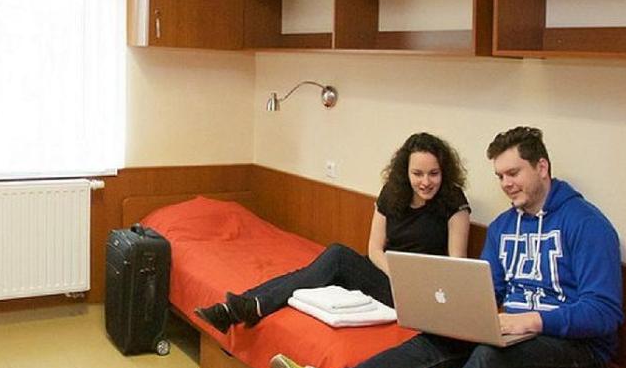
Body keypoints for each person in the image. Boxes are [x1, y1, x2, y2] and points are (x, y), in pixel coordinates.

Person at [271, 126, 622, 368]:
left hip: (578, 350)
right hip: (517, 332)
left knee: (492, 357)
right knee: (438, 338)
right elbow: (486, 290)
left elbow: (604, 312)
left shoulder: (586, 224)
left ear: (542, 167)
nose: (506, 184)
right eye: (500, 176)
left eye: (514, 173)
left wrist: (531, 321)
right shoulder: (503, 227)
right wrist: (459, 315)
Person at [196, 132, 471, 333]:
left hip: (421, 290)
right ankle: (243, 306)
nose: (425, 182)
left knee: (336, 258)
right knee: (323, 264)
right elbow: (375, 248)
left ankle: (246, 307)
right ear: (406, 172)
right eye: (418, 173)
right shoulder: (393, 193)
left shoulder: (453, 201)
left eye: (433, 174)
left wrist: (412, 281)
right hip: (387, 272)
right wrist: (395, 272)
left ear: (444, 173)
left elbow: (455, 264)